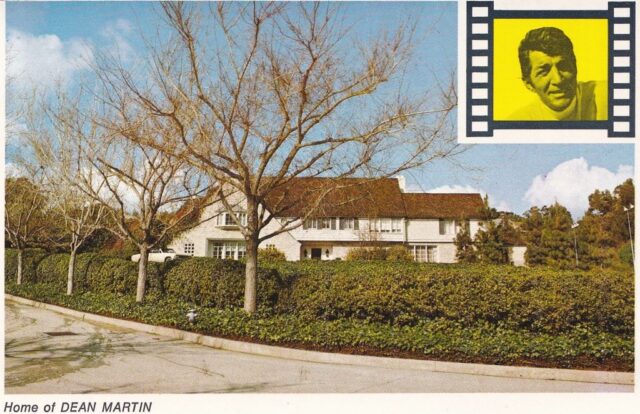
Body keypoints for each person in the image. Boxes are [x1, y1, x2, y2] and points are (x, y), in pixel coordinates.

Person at [508, 27, 606, 121]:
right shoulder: (517, 122)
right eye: (544, 72)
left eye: (563, 66)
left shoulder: (607, 96)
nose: (558, 80)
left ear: (575, 67)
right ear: (529, 84)